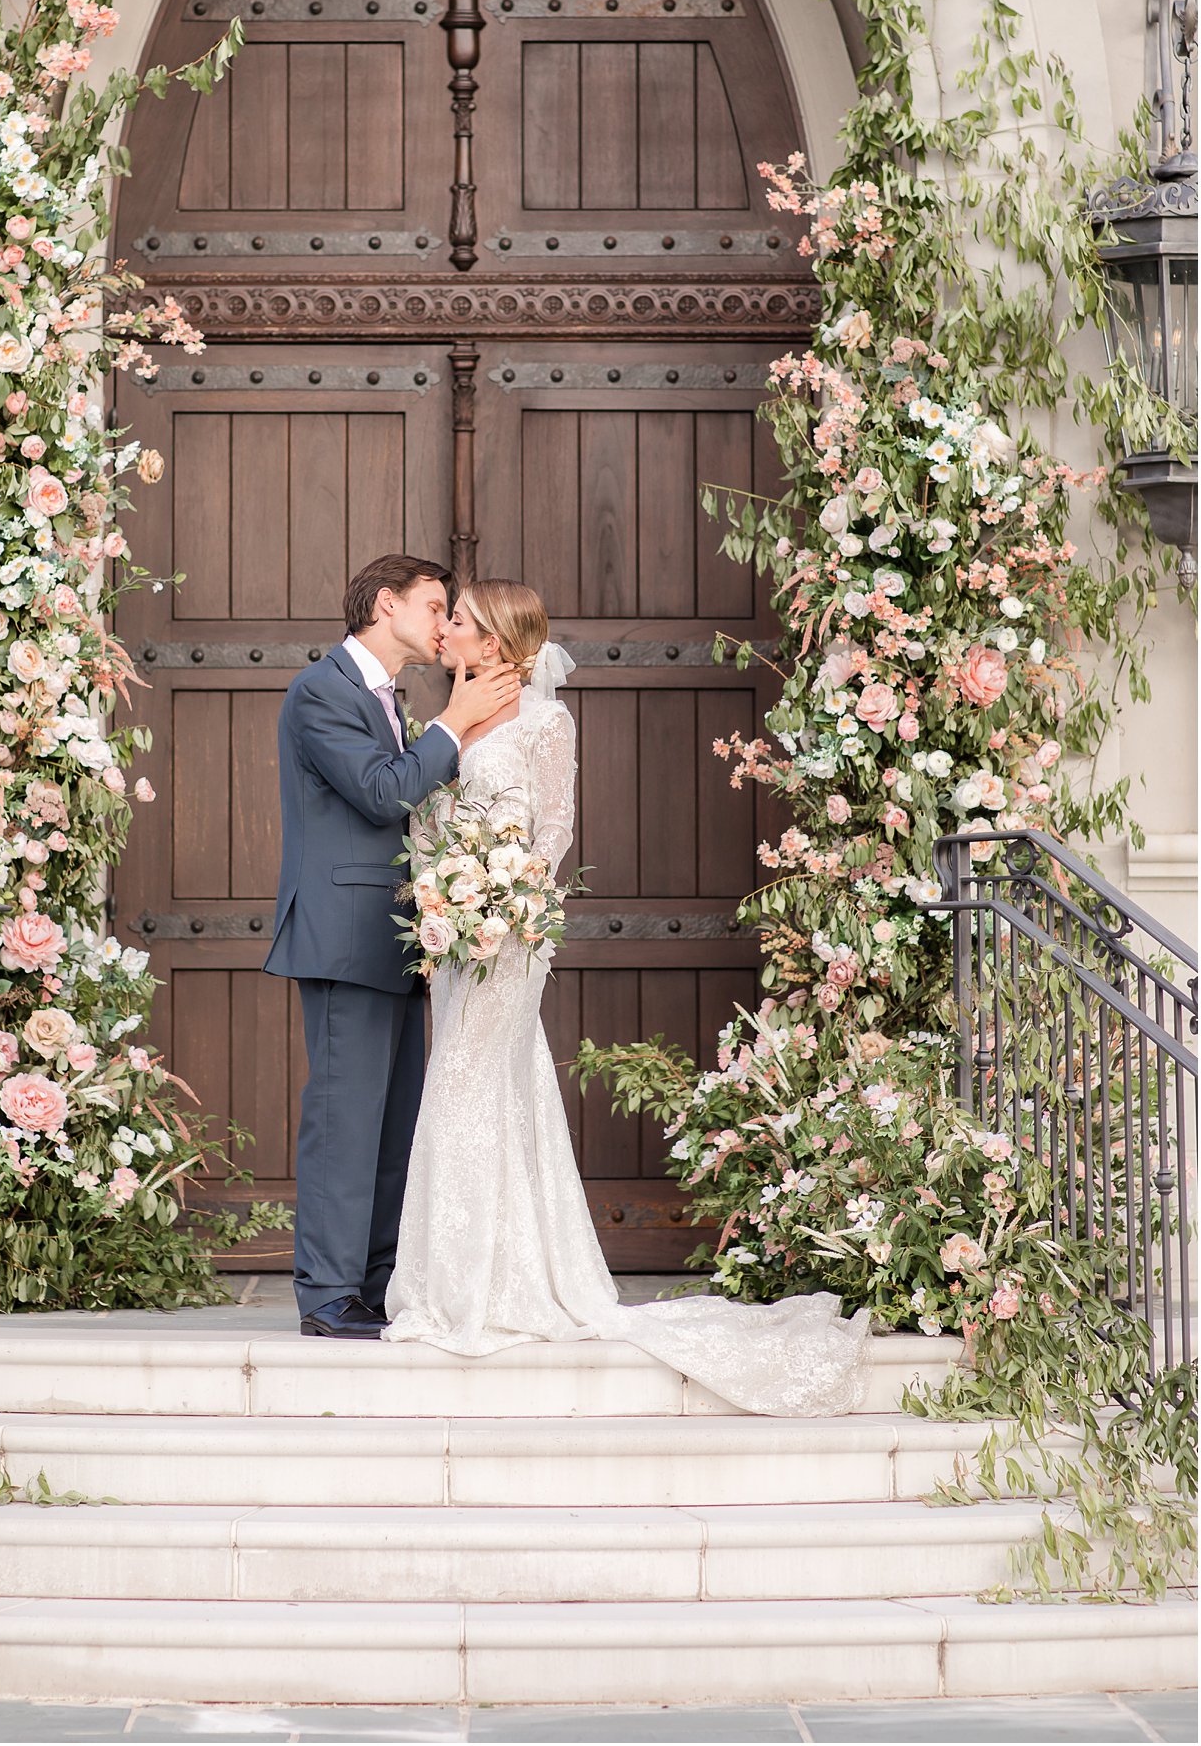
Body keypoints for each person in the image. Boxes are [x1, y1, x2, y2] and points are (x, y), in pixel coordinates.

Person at [382, 578, 873, 1416]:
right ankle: (482, 1274)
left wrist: (509, 902)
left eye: (458, 619)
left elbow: (554, 832)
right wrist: (443, 892)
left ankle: (472, 1287)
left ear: (494, 641)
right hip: (458, 936)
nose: (446, 628)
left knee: (467, 1083)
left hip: (511, 930)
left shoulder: (545, 721)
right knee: (483, 1087)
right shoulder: (447, 716)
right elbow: (425, 819)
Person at [266, 553, 520, 1339]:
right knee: (345, 1121)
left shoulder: (383, 696)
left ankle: (373, 1282)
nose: (446, 624)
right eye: (435, 606)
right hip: (344, 939)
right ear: (386, 604)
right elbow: (383, 792)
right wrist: (455, 721)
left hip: (400, 940)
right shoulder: (321, 692)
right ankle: (328, 1294)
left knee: (391, 1122)